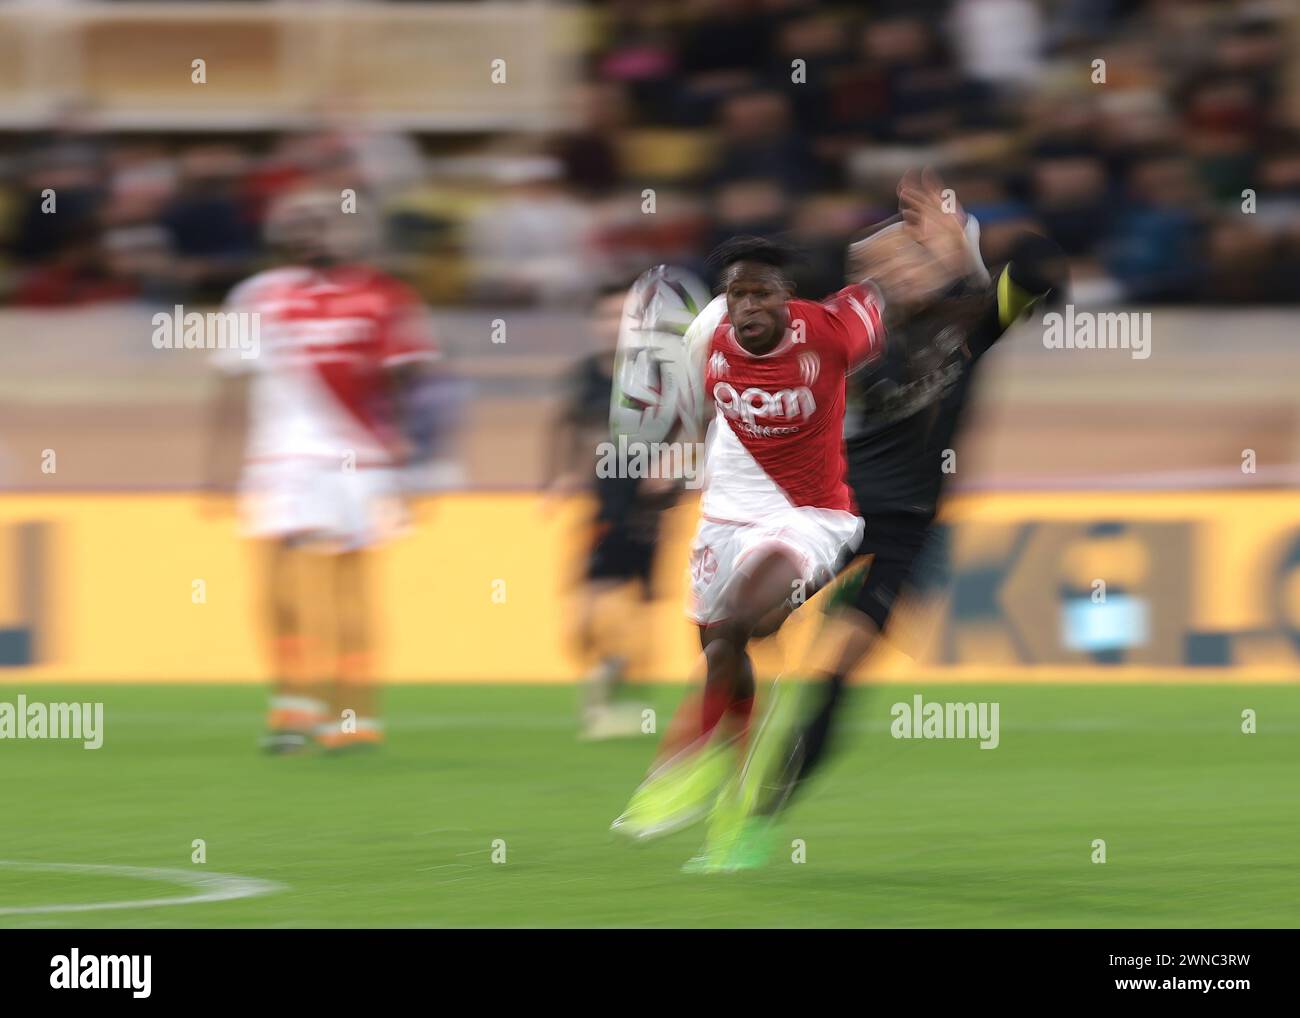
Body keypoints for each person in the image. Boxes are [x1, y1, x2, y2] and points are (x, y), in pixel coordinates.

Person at [206, 189, 438, 753]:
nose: (311, 232)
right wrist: (217, 466)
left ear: (350, 231)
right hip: (278, 458)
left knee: (349, 585)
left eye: (323, 222)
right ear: (280, 236)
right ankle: (294, 703)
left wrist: (411, 468)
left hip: (355, 460)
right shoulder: (254, 297)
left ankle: (353, 712)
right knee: (276, 585)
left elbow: (406, 385)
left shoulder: (384, 296)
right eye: (297, 222)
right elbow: (230, 385)